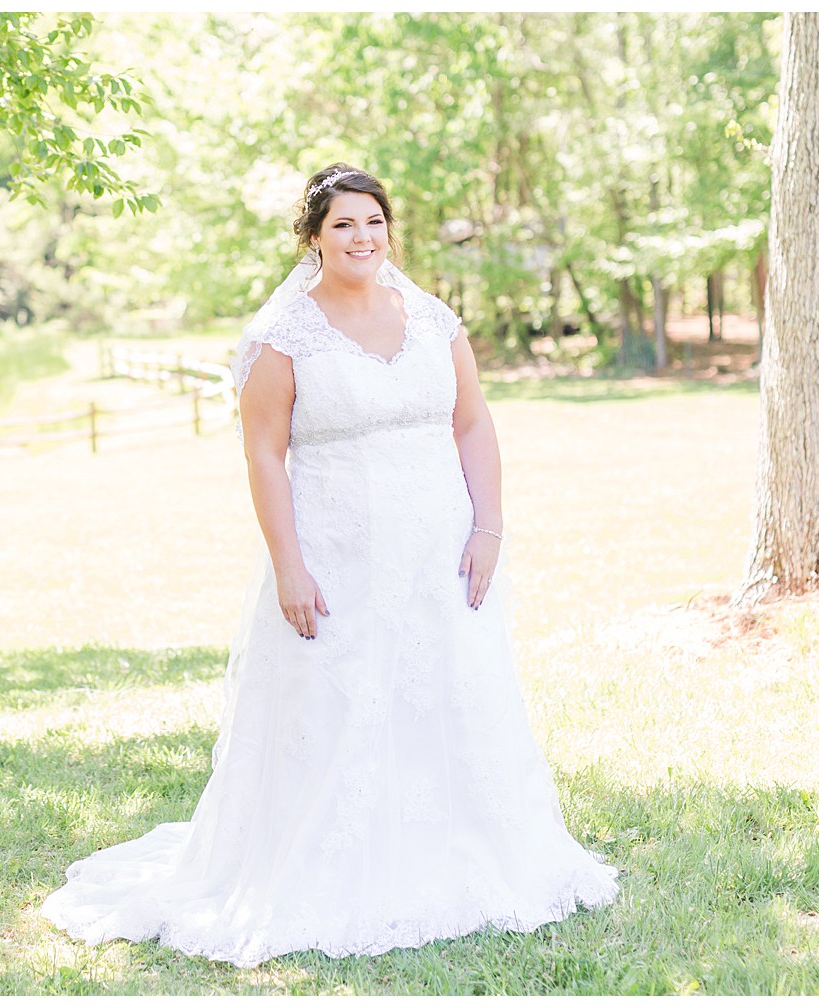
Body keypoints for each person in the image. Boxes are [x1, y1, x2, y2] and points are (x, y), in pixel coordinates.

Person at [40, 164, 618, 968]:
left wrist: (489, 528)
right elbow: (266, 456)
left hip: (439, 549)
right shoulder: (283, 336)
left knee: (449, 689)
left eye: (374, 222)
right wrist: (289, 566)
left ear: (390, 231)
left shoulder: (432, 319)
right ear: (313, 238)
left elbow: (474, 424)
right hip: (337, 552)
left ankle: (464, 849)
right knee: (342, 701)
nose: (362, 238)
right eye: (344, 224)